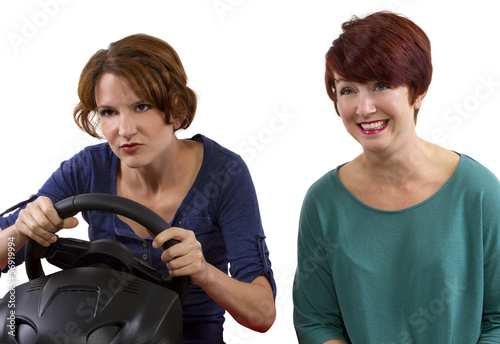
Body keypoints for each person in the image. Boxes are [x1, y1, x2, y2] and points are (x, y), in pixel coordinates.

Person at [0, 33, 276, 343]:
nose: (125, 130)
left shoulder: (225, 173)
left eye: (141, 107)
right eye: (109, 112)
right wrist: (21, 231)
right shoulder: (88, 168)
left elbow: (262, 313)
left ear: (175, 108)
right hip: (99, 334)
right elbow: (6, 250)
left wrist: (204, 272)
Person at [292, 11, 500, 343]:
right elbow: (317, 323)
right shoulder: (323, 202)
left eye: (381, 85)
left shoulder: (479, 193)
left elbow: (498, 321)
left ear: (418, 92)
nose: (363, 108)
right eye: (348, 90)